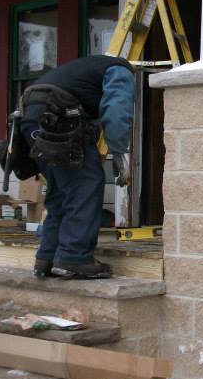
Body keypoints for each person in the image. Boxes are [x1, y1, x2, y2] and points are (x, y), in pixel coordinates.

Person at [18, 54, 135, 279]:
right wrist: (119, 150)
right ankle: (74, 258)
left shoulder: (84, 70)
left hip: (29, 117)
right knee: (85, 183)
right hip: (58, 116)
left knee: (62, 190)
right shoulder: (121, 71)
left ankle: (47, 258)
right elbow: (117, 111)